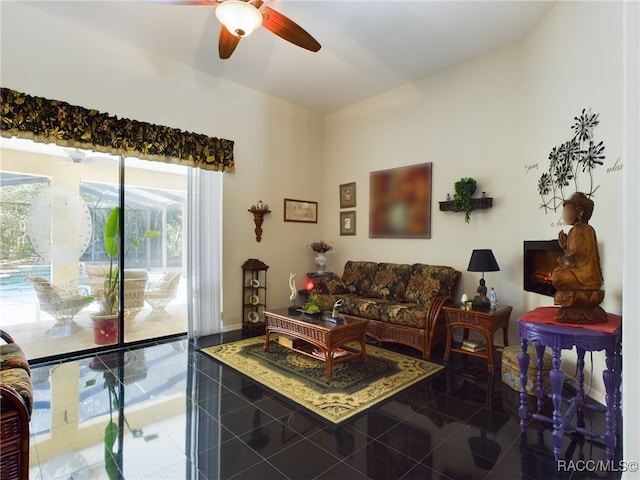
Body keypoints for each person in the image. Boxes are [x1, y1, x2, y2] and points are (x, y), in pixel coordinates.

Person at [552, 192, 603, 291]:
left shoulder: (580, 230)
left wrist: (562, 259)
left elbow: (576, 259)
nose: (564, 215)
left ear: (580, 212)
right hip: (589, 279)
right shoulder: (583, 229)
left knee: (557, 275)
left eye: (567, 211)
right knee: (558, 274)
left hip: (585, 278)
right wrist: (565, 247)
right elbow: (577, 255)